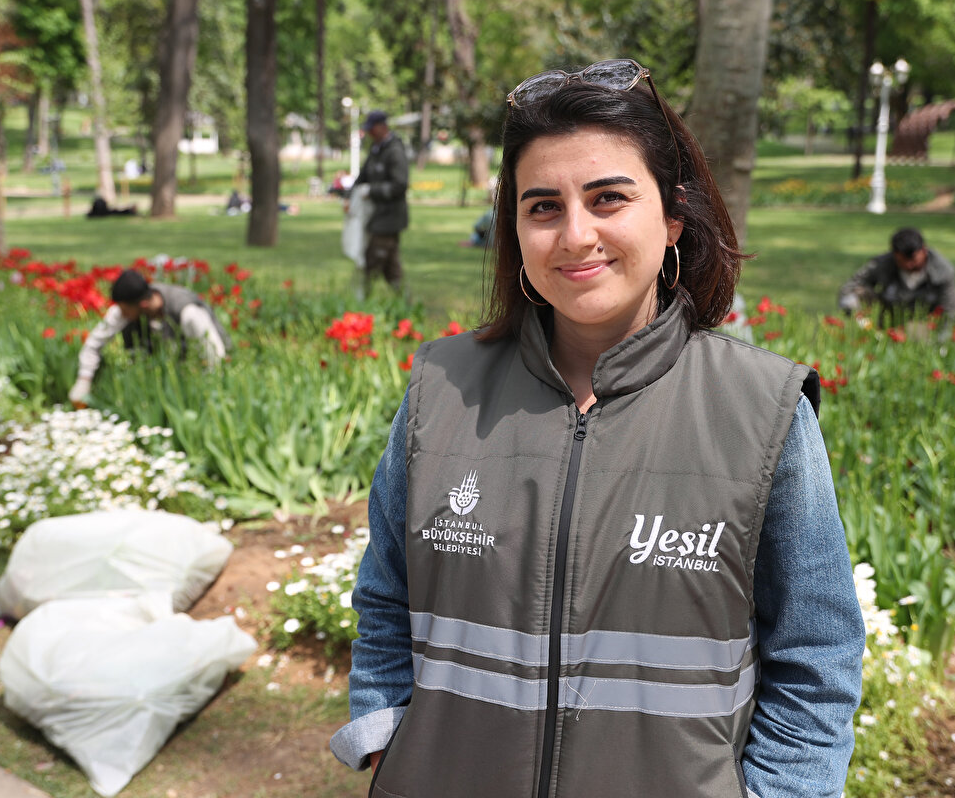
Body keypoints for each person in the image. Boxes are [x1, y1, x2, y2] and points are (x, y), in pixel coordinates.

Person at [330, 59, 864, 798]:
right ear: (515, 231)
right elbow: (386, 597)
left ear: (674, 216)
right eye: (542, 207)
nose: (576, 235)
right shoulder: (440, 392)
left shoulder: (763, 410)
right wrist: (386, 743)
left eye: (608, 198)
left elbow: (816, 656)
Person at [68, 269, 231, 406]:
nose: (122, 314)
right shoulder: (128, 308)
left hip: (194, 378)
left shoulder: (188, 312)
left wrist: (206, 391)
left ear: (143, 305)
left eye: (124, 310)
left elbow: (214, 355)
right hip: (158, 386)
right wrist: (84, 380)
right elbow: (94, 343)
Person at [838, 227, 955, 326]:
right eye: (903, 260)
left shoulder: (942, 270)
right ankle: (870, 335)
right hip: (887, 315)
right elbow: (850, 287)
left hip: (923, 321)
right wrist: (861, 319)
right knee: (857, 294)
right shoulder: (882, 264)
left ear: (924, 250)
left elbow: (950, 308)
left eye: (913, 259)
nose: (909, 264)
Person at [352, 109, 410, 295]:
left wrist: (372, 191)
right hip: (376, 215)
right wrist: (349, 194)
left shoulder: (395, 151)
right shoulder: (376, 150)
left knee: (372, 260)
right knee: (390, 266)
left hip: (389, 217)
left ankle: (362, 299)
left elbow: (400, 185)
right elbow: (363, 176)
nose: (370, 133)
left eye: (372, 129)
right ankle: (404, 301)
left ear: (383, 127)